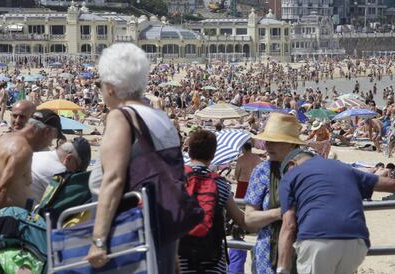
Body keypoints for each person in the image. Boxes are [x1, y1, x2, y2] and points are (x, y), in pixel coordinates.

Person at [86, 43, 181, 273]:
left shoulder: (121, 117)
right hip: (162, 233)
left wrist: (98, 240)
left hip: (128, 236)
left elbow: (114, 179)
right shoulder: (161, 118)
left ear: (110, 87)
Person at [277, 149, 395, 274]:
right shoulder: (342, 167)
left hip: (317, 239)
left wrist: (282, 269)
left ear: (291, 164)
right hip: (356, 242)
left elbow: (289, 225)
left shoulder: (291, 175)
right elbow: (392, 184)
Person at [178, 130, 247, 273]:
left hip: (181, 260)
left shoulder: (177, 179)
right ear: (213, 154)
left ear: (189, 151)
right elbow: (241, 219)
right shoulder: (220, 184)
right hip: (213, 261)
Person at [244, 113, 305, 274]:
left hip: (305, 257)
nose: (267, 145)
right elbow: (249, 219)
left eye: (275, 141)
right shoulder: (262, 171)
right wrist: (281, 213)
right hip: (267, 260)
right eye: (267, 140)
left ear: (291, 144)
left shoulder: (310, 170)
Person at [0, 109, 63, 212]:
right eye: (52, 138)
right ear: (47, 132)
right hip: (6, 218)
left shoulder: (5, 138)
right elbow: (0, 190)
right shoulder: (22, 150)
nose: (50, 144)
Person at [31, 137, 91, 204]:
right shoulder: (60, 173)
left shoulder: (38, 155)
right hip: (30, 211)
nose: (76, 172)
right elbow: (66, 202)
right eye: (78, 168)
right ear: (69, 159)